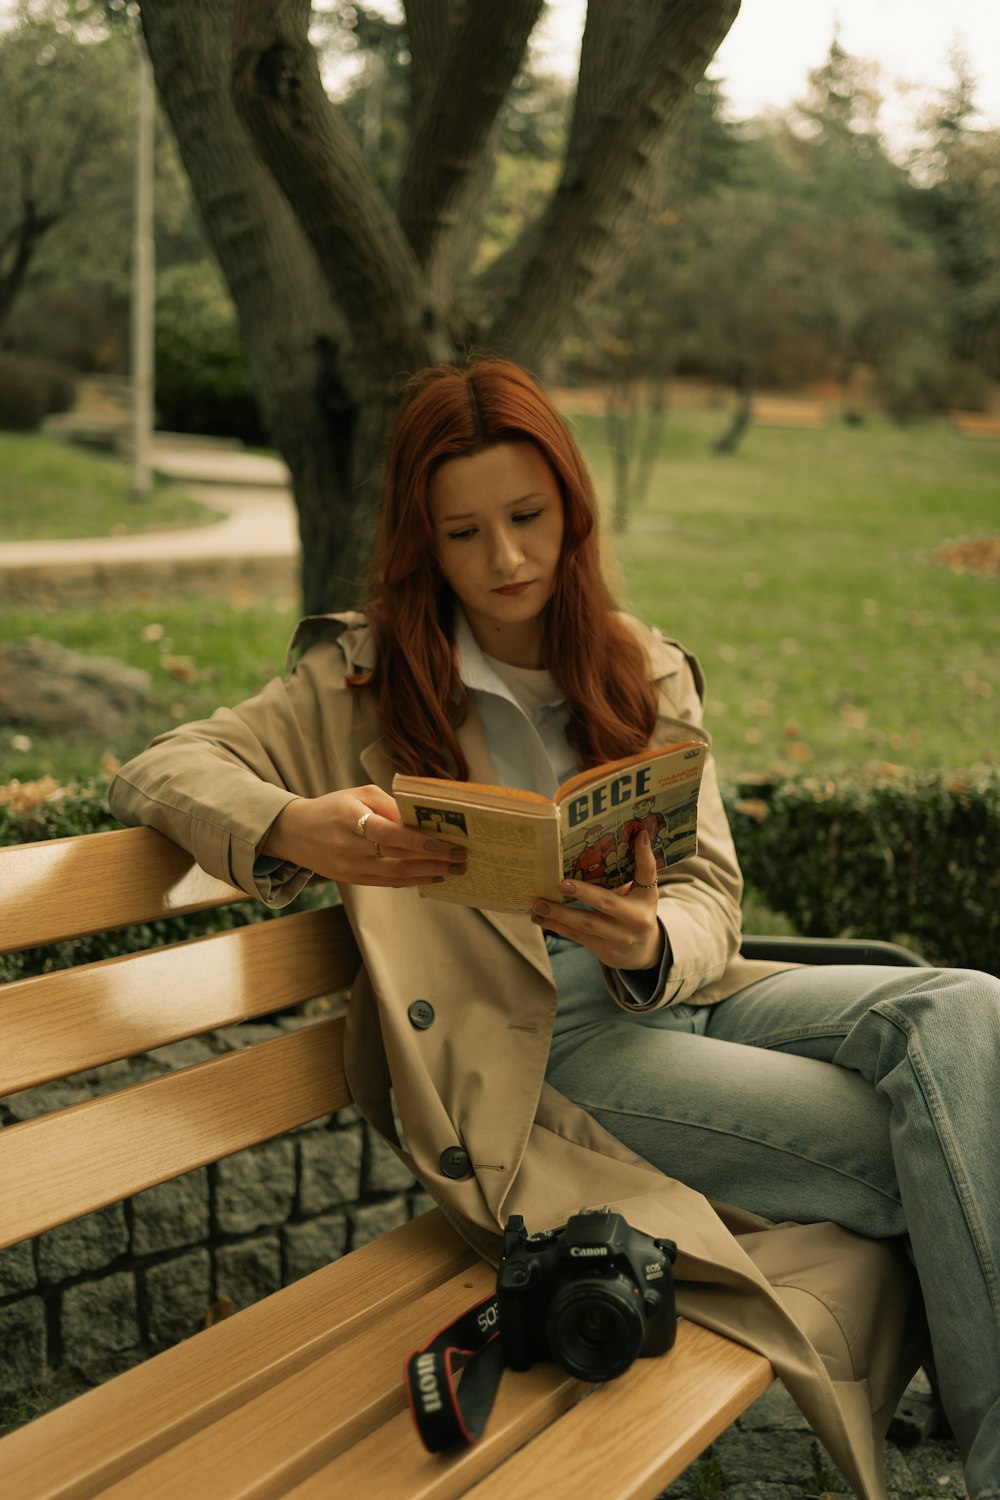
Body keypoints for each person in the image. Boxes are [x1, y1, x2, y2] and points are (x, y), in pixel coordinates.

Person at [109, 357, 1000, 1500]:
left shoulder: (638, 664)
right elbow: (162, 764)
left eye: (527, 518)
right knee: (936, 1147)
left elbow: (712, 897)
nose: (507, 560)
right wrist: (293, 825)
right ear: (421, 540)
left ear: (572, 507)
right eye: (466, 533)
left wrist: (650, 939)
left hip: (675, 992)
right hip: (540, 1056)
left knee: (966, 1009)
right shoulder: (361, 682)